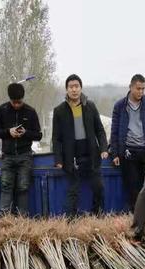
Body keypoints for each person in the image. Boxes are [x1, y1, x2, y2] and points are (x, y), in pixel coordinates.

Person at [52, 74, 109, 217]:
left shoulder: (90, 106)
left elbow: (100, 130)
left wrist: (103, 148)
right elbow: (56, 138)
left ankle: (98, 217)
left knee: (98, 187)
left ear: (81, 88)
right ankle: (71, 221)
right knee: (73, 191)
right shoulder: (59, 111)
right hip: (71, 157)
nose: (74, 90)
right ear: (66, 90)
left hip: (91, 155)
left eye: (76, 86)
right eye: (71, 87)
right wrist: (58, 159)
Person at [110, 74, 145, 212]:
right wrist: (115, 153)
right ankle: (135, 219)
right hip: (128, 152)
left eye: (143, 89)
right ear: (131, 87)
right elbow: (114, 131)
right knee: (132, 188)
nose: (141, 92)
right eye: (138, 88)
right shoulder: (120, 106)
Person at [0, 82, 42, 216]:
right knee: (6, 186)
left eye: (19, 102)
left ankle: (22, 219)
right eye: (14, 102)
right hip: (7, 156)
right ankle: (4, 220)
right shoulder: (1, 110)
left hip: (25, 156)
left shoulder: (30, 112)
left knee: (23, 187)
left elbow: (38, 135)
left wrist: (25, 133)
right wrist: (8, 132)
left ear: (23, 99)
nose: (16, 105)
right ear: (10, 99)